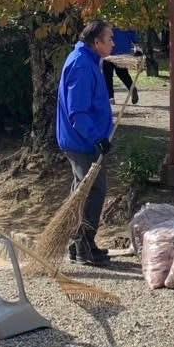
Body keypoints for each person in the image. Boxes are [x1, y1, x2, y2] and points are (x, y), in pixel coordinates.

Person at [57, 20, 116, 267]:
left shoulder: (89, 61)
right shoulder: (82, 65)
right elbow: (78, 111)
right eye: (109, 39)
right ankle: (83, 245)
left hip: (83, 139)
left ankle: (80, 245)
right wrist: (96, 137)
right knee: (92, 192)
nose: (113, 43)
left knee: (82, 190)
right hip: (81, 141)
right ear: (96, 42)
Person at [102, 26, 139, 106]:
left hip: (109, 51)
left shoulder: (109, 23)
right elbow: (135, 38)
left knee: (107, 76)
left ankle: (110, 97)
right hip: (122, 52)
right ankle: (132, 88)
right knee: (123, 74)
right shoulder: (127, 23)